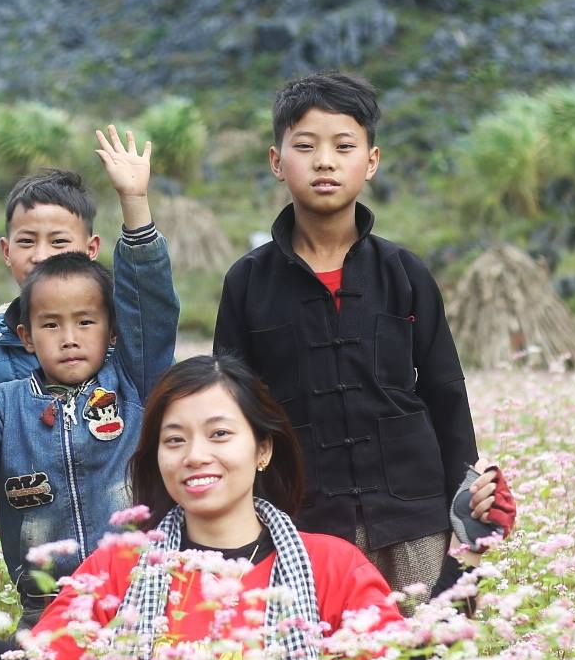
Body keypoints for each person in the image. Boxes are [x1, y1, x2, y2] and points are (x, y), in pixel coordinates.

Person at [213, 71, 507, 595]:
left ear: (371, 161)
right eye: (306, 146)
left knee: (431, 638)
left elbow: (445, 392)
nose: (325, 161)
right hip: (300, 522)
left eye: (344, 146)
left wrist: (467, 497)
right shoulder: (247, 282)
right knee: (316, 645)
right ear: (277, 161)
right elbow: (232, 408)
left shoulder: (405, 273)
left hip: (414, 516)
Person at [23, 355, 404, 660]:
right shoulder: (118, 568)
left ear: (263, 448)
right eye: (175, 440)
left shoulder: (334, 567)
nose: (195, 455)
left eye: (219, 434)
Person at [0, 129, 177, 630]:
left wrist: (135, 203)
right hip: (45, 604)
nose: (69, 338)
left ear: (113, 331)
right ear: (27, 337)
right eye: (51, 325)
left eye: (86, 322)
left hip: (139, 594)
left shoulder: (131, 376)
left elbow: (151, 305)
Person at [0, 136, 174, 423]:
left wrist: (135, 201)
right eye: (27, 241)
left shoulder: (126, 342)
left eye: (59, 241)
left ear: (92, 249)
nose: (41, 255)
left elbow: (151, 309)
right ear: (6, 251)